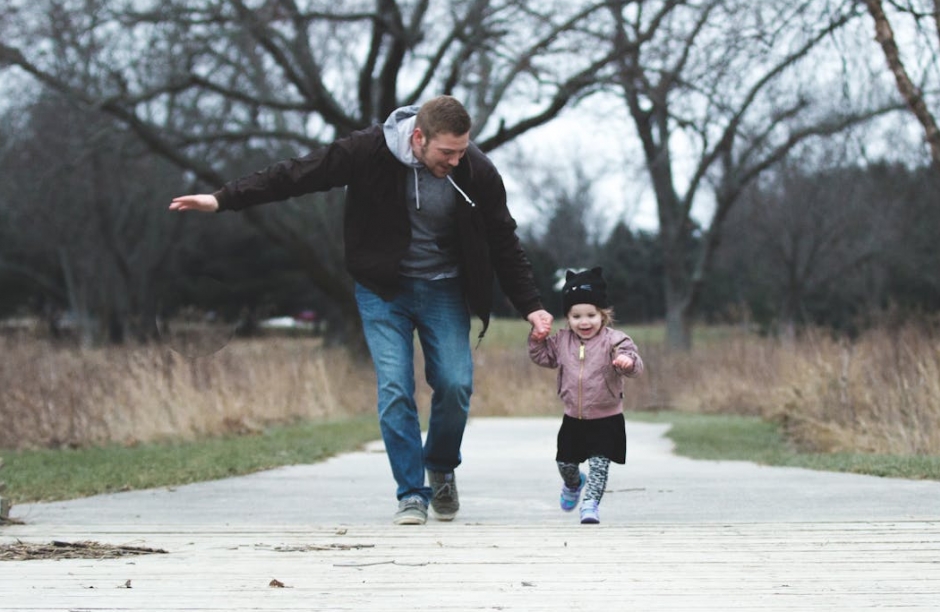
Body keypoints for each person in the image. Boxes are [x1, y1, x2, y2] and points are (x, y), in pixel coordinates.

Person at [169, 96, 553, 525]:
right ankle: (411, 493)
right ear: (418, 137)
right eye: (447, 152)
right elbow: (297, 174)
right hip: (382, 289)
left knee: (455, 384)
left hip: (443, 288)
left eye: (462, 150)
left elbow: (504, 239)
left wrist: (532, 307)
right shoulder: (367, 150)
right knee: (395, 389)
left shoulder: (475, 170)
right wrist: (223, 199)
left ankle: (441, 466)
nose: (455, 160)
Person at [528, 267, 643, 524]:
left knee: (600, 467)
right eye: (576, 316)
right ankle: (573, 483)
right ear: (567, 318)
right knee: (566, 465)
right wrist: (536, 340)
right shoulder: (561, 341)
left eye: (591, 315)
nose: (584, 322)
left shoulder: (615, 341)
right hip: (573, 418)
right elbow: (542, 357)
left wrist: (627, 361)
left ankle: (590, 506)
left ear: (603, 314)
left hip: (607, 418)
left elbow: (635, 363)